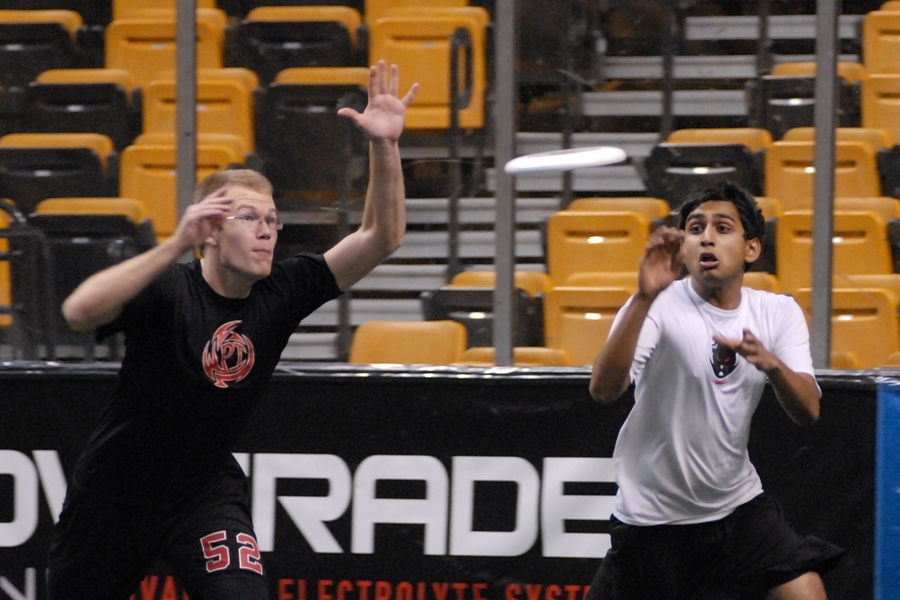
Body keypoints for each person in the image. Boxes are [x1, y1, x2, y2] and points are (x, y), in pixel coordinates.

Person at [45, 61, 418, 600]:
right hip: (115, 494)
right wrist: (174, 244)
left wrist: (384, 146)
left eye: (272, 220)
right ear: (212, 232)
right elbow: (78, 311)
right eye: (250, 219)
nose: (267, 231)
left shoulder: (282, 290)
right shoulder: (169, 289)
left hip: (204, 495)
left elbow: (381, 237)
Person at [587, 183, 843, 599]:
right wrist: (642, 297)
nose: (706, 236)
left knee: (804, 590)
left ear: (751, 249)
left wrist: (772, 365)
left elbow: (809, 411)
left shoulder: (777, 312)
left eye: (723, 228)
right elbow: (603, 390)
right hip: (653, 522)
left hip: (737, 510)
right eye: (694, 228)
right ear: (683, 248)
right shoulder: (657, 305)